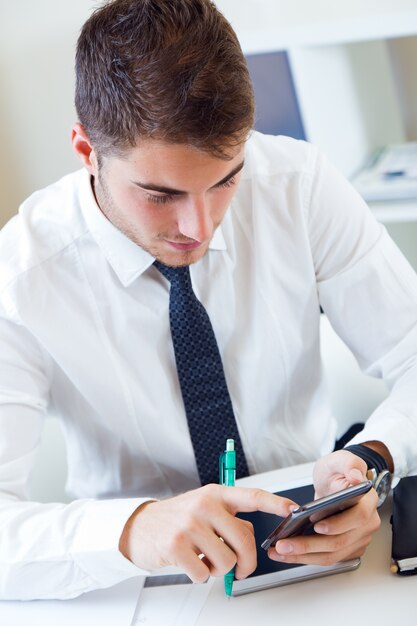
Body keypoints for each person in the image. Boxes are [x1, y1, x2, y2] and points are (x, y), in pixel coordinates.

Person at [0, 0, 416, 601]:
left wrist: (372, 462)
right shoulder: (20, 275)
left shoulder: (298, 186)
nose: (199, 226)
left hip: (317, 554)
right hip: (139, 584)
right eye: (159, 193)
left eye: (226, 179)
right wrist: (134, 529)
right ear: (87, 150)